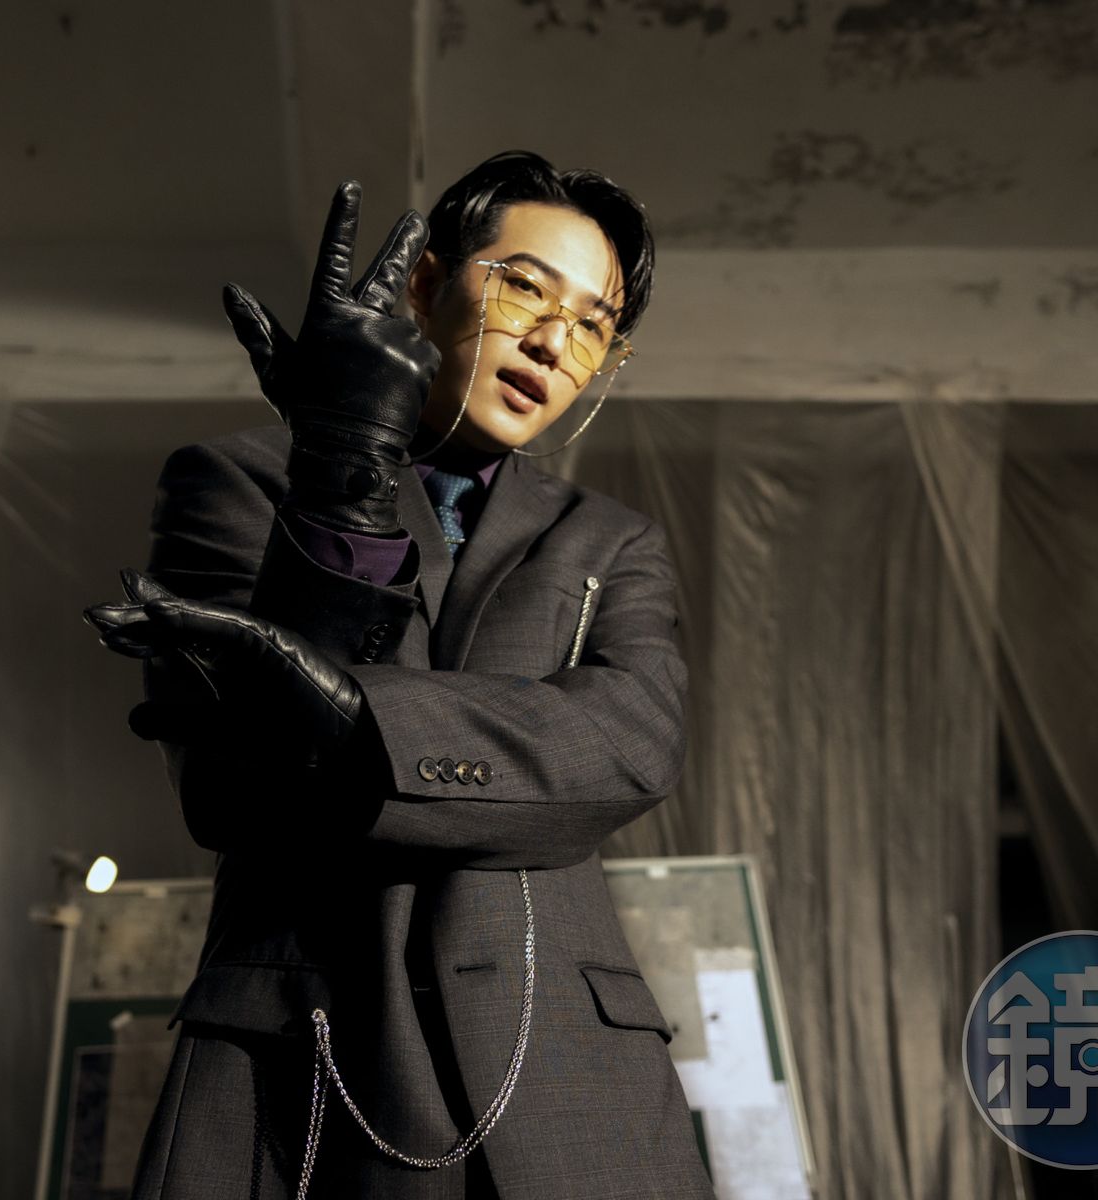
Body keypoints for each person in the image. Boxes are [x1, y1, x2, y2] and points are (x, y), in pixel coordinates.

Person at [87, 150, 713, 1199]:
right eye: (525, 288)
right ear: (425, 282)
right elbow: (237, 783)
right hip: (301, 1064)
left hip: (567, 1079)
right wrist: (342, 473)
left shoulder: (612, 543)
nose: (553, 342)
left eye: (593, 326)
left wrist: (349, 720)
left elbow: (630, 747)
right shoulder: (237, 483)